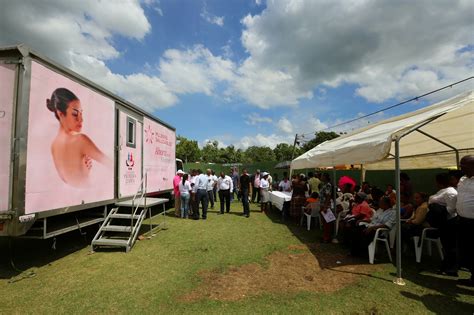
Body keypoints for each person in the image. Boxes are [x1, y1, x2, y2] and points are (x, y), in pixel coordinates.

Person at [47, 88, 111, 187]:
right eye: (75, 114)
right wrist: (85, 175)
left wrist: (83, 173)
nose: (81, 119)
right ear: (60, 114)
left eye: (81, 113)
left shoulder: (54, 145)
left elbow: (67, 180)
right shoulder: (80, 139)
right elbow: (111, 164)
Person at [429, 173, 458, 276]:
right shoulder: (444, 191)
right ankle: (446, 266)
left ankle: (451, 269)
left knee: (450, 246)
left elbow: (451, 209)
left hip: (449, 222)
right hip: (443, 222)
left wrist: (437, 209)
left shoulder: (450, 192)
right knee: (446, 245)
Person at [456, 155, 474, 287]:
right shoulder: (462, 179)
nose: (461, 167)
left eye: (464, 165)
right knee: (466, 251)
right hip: (462, 220)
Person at [319, 173, 333, 243]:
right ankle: (325, 236)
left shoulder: (328, 185)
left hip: (325, 206)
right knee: (324, 223)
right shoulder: (324, 184)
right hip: (322, 205)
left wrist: (325, 207)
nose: (321, 177)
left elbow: (328, 196)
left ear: (325, 177)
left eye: (322, 176)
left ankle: (327, 238)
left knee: (327, 223)